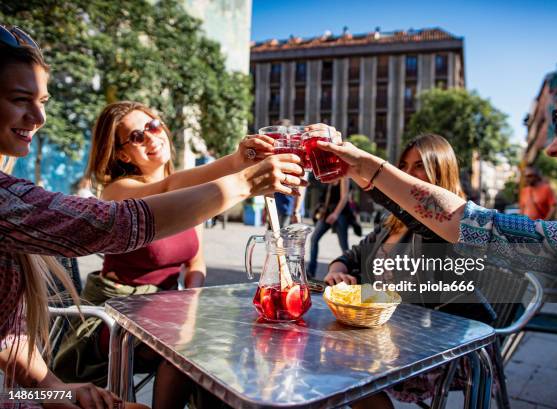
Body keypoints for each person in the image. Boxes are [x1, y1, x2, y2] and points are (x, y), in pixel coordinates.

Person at [0, 25, 304, 409]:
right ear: (123, 154)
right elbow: (136, 213)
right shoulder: (114, 192)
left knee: (212, 344)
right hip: (117, 317)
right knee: (190, 349)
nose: (40, 116)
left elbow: (8, 341)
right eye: (20, 98)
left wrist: (58, 392)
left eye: (154, 125)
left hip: (158, 314)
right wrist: (241, 176)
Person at [317, 37, 557, 405]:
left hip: (441, 354)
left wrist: (367, 169)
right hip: (393, 338)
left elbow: (466, 227)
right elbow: (362, 252)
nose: (552, 146)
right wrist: (340, 268)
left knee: (344, 364)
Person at [324, 134, 495, 407]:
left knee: (348, 371)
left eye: (419, 166)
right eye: (403, 166)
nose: (406, 173)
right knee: (324, 351)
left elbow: (424, 225)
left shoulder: (446, 229)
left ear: (441, 172)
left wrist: (364, 173)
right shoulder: (392, 221)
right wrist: (338, 269)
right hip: (387, 333)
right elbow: (353, 254)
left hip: (437, 347)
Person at [307, 177, 350, 278]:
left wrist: (335, 214)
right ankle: (311, 271)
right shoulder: (329, 176)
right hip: (326, 213)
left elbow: (345, 197)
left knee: (343, 245)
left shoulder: (344, 178)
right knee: (314, 238)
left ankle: (351, 271)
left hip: (340, 214)